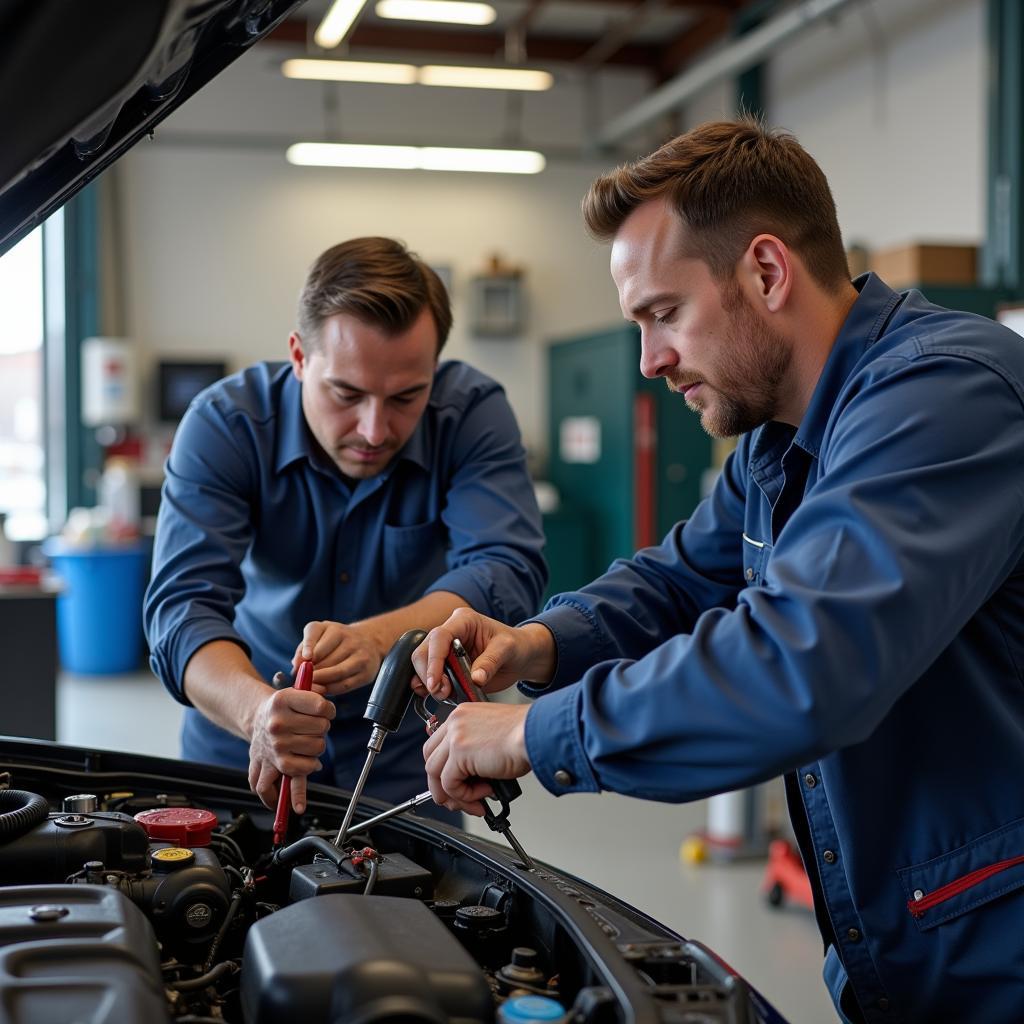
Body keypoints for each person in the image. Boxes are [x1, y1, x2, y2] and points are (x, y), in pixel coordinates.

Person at [412, 120, 1024, 1023]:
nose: (652, 360)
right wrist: (533, 643)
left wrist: (532, 733)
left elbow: (802, 667)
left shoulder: (947, 398)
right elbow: (680, 582)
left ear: (767, 272)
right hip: (908, 950)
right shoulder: (779, 440)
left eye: (664, 314)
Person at [145, 236, 546, 821]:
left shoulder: (471, 413)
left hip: (410, 752)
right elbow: (181, 609)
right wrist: (259, 714)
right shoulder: (225, 423)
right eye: (346, 393)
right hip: (245, 737)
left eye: (407, 396)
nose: (375, 429)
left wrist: (379, 640)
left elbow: (505, 572)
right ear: (299, 357)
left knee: (406, 911)